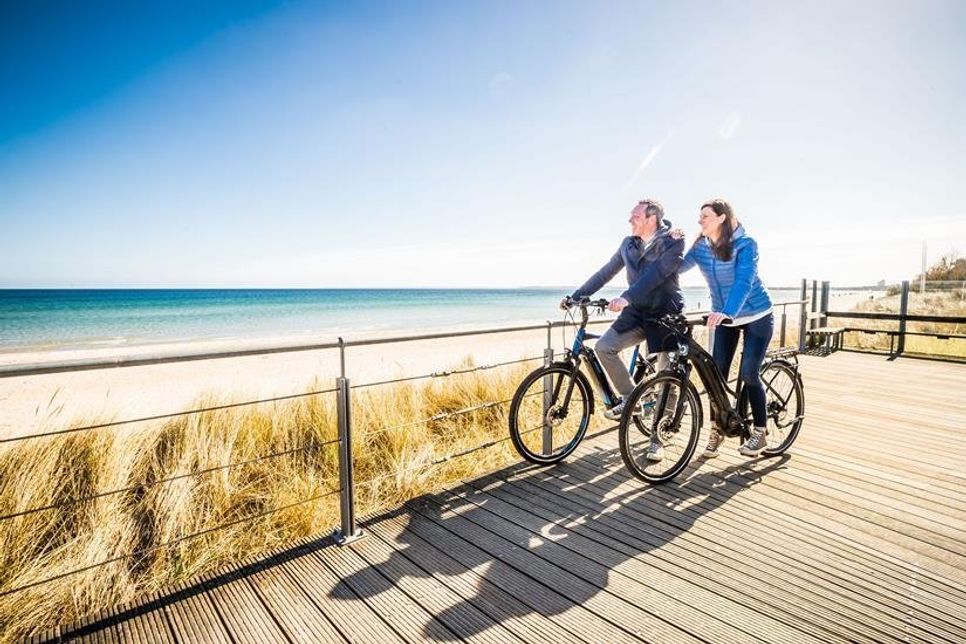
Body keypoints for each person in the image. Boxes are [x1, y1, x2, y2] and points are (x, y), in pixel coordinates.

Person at [563, 199, 685, 460]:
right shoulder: (627, 244)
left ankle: (658, 438)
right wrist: (576, 295)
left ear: (652, 218)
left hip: (665, 314)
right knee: (604, 347)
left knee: (667, 377)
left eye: (635, 216)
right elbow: (606, 272)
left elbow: (657, 275)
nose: (630, 220)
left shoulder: (674, 240)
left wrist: (626, 297)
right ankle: (633, 400)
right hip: (637, 313)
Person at [677, 198, 774, 458]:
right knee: (714, 375)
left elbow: (744, 280)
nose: (700, 221)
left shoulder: (746, 245)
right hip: (725, 318)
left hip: (756, 315)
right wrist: (671, 243)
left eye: (705, 216)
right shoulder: (700, 247)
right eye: (700, 217)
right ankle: (717, 430)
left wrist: (726, 312)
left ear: (721, 218)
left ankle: (761, 432)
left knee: (749, 373)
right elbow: (676, 268)